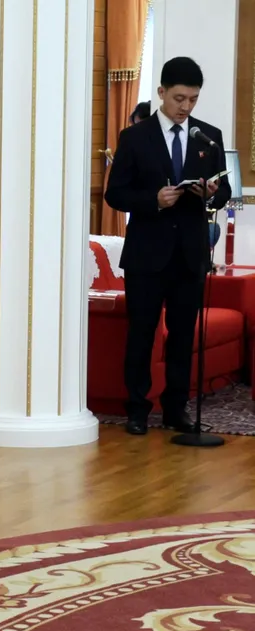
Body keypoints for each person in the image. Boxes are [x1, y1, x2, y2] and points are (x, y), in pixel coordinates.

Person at [105, 57, 231, 436]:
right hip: (147, 254)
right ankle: (137, 409)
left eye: (193, 99)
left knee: (182, 336)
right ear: (161, 92)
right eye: (179, 98)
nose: (185, 107)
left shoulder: (208, 137)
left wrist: (211, 194)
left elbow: (223, 190)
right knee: (141, 334)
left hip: (190, 254)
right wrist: (153, 200)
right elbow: (115, 194)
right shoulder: (135, 137)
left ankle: (176, 409)